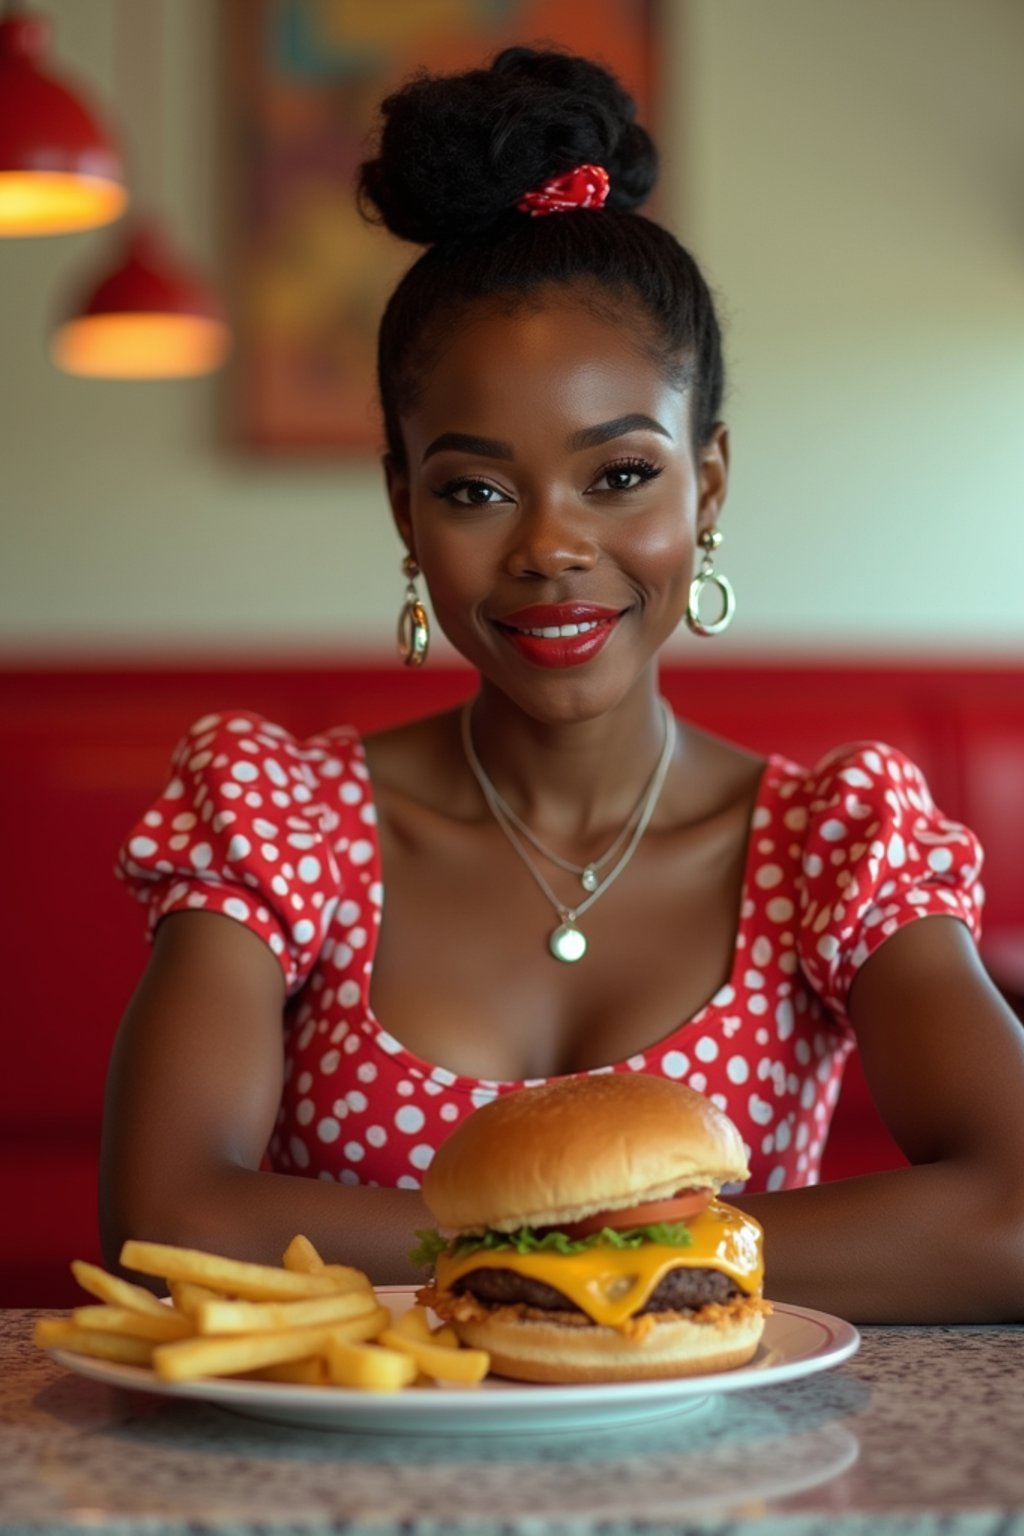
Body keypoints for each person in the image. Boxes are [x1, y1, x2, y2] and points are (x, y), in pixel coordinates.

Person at [101, 47, 1024, 1323]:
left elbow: (1015, 1214)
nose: (550, 548)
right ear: (402, 508)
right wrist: (637, 1262)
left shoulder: (830, 843)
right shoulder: (281, 822)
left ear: (707, 483)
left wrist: (512, 1274)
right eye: (475, 490)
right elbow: (168, 1220)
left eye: (620, 475)